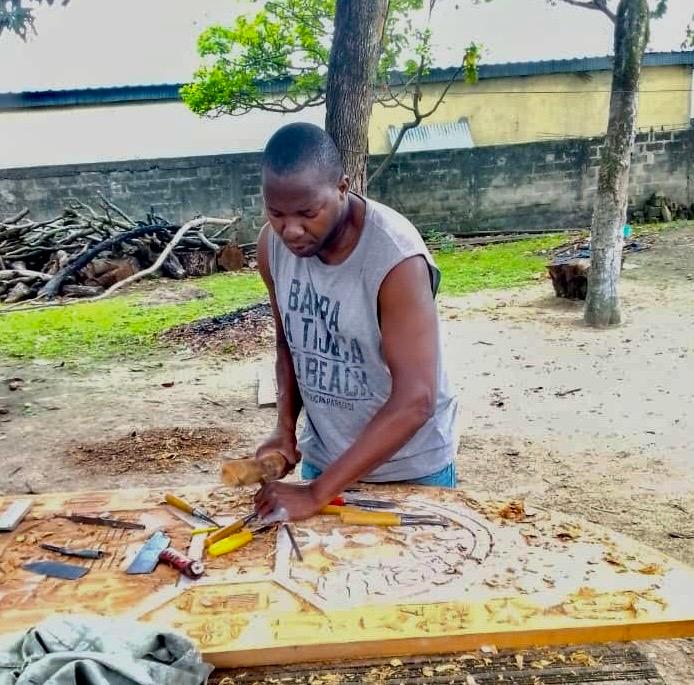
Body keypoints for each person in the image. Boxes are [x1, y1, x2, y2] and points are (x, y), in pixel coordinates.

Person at [253, 122, 457, 521]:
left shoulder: (395, 259)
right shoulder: (271, 246)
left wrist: (315, 495)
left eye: (308, 213)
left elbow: (416, 400)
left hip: (409, 473)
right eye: (276, 213)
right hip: (324, 462)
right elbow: (288, 345)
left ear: (343, 187)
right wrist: (284, 429)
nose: (290, 230)